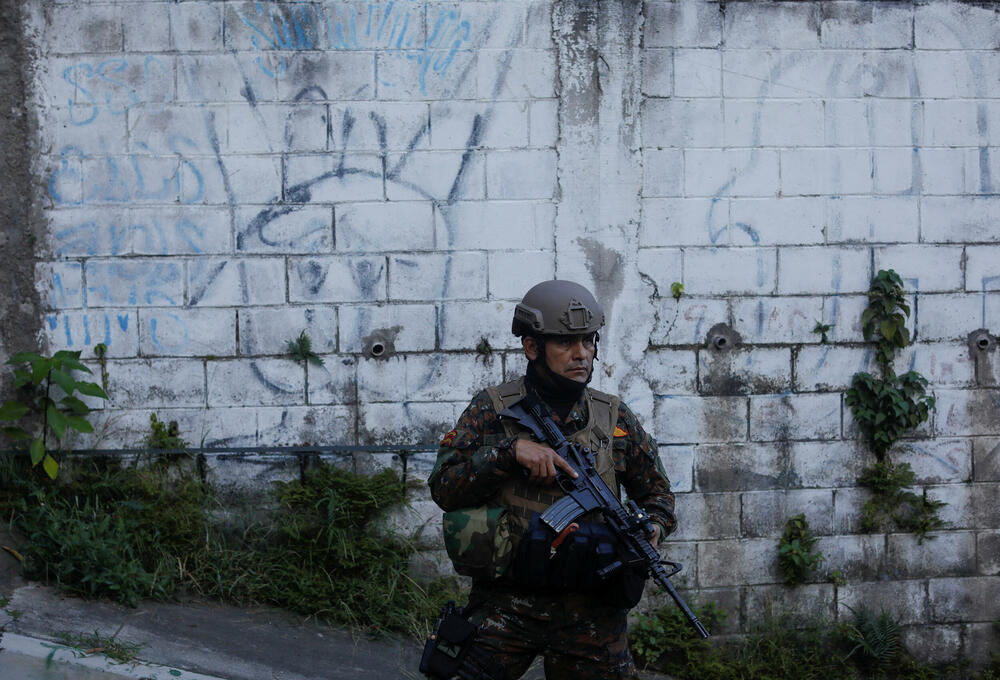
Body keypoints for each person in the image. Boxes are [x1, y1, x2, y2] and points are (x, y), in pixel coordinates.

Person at [427, 280, 676, 680]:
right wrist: (508, 454)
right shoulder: (494, 410)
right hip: (507, 604)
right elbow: (443, 486)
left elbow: (658, 495)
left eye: (588, 342)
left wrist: (653, 527)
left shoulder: (614, 418)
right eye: (565, 343)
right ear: (532, 347)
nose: (582, 354)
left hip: (592, 613)